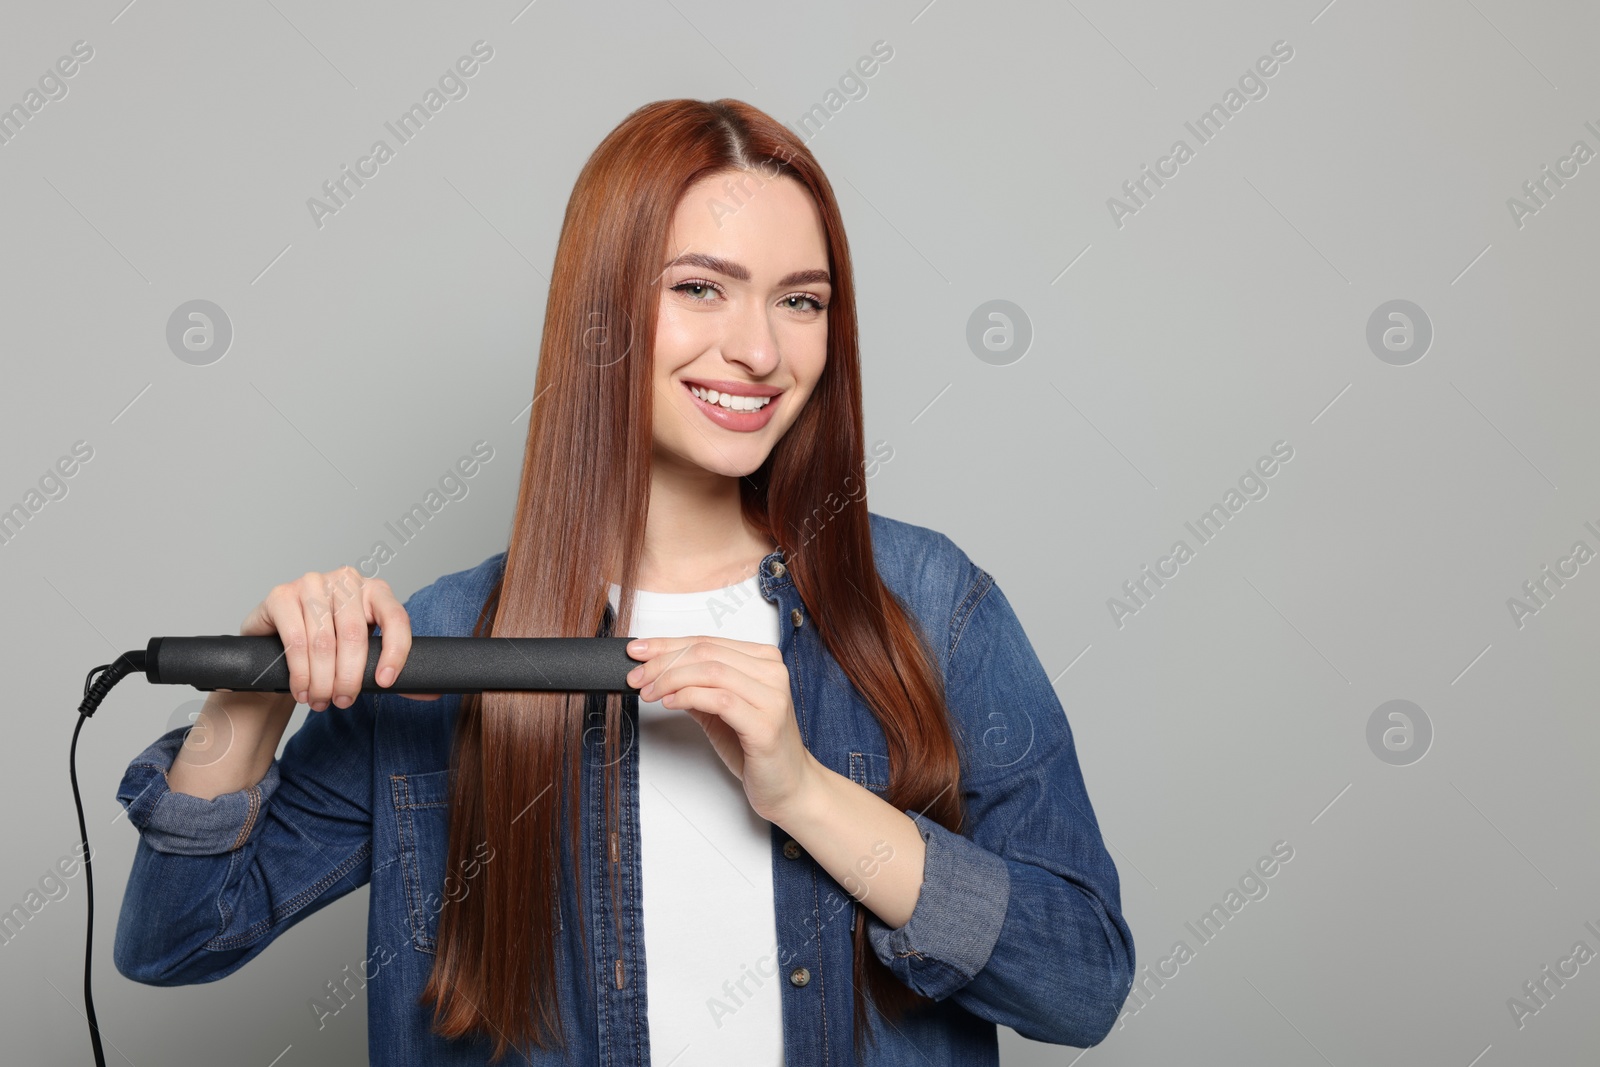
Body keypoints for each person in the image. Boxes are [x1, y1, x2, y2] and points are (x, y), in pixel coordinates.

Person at [113, 98, 1136, 1066]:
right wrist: (247, 706)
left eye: (801, 300)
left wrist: (805, 793)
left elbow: (1080, 980)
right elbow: (175, 939)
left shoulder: (931, 606)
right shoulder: (449, 640)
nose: (758, 348)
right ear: (600, 312)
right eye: (700, 286)